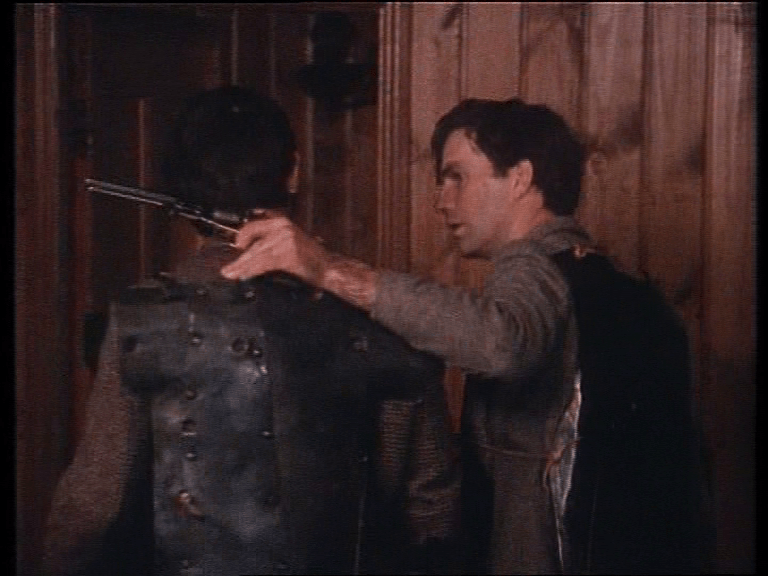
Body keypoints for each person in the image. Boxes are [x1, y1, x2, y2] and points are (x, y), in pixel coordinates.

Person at [42, 86, 460, 576]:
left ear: (178, 186)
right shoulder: (381, 315)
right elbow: (432, 506)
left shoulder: (145, 319)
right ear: (294, 170)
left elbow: (93, 505)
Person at [221, 97, 590, 574]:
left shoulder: (537, 268)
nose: (442, 200)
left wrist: (327, 269)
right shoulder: (612, 280)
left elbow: (501, 344)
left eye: (457, 177)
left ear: (520, 178)